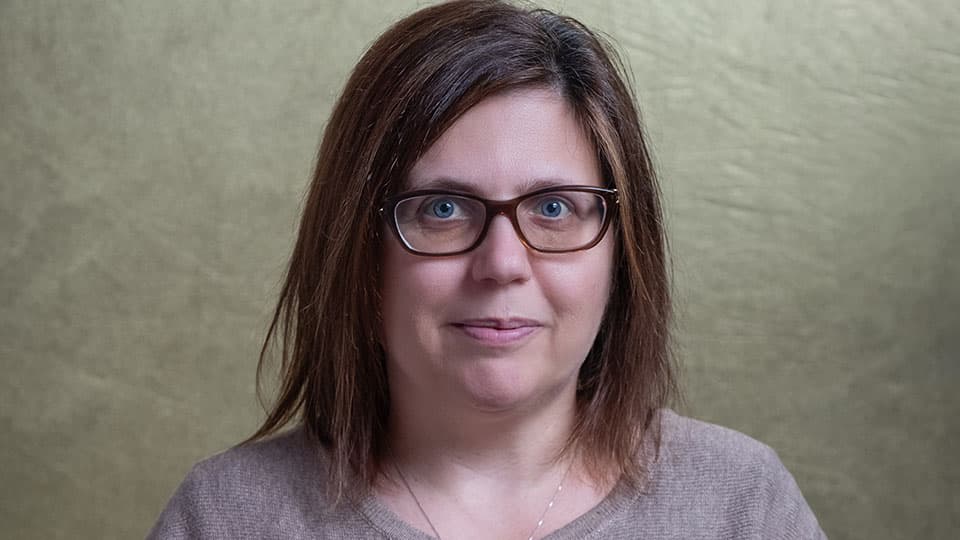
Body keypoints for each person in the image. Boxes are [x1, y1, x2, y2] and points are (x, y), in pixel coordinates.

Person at [148, 1, 826, 538]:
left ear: (624, 250)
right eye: (442, 209)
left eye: (554, 207)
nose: (503, 264)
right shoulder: (227, 518)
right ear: (359, 249)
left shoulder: (740, 505)